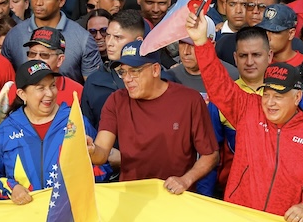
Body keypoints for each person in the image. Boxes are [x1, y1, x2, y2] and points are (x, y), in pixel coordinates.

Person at [186, 10, 303, 222]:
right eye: (266, 94)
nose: (269, 102)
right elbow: (217, 83)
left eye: (278, 96)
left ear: (297, 98)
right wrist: (201, 41)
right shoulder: (248, 109)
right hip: (242, 220)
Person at [89, 39, 219, 192]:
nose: (127, 79)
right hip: (133, 199)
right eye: (123, 72)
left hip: (176, 198)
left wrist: (185, 180)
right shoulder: (117, 100)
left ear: (156, 70)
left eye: (134, 71)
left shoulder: (189, 100)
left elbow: (211, 154)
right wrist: (91, 150)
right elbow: (102, 153)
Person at [0, 60, 94, 204]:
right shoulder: (6, 131)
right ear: (22, 94)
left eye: (52, 86)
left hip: (69, 214)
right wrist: (12, 188)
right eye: (40, 88)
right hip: (25, 217)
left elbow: (101, 167)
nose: (49, 93)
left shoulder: (75, 121)